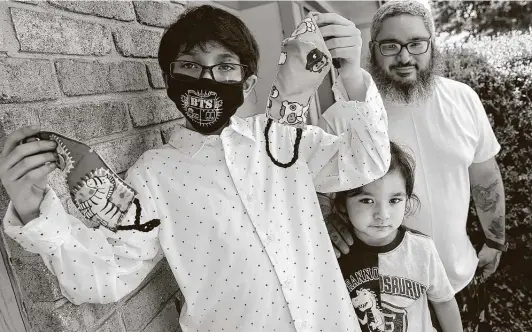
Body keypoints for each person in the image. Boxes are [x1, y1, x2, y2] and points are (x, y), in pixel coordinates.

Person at [0, 5, 390, 332]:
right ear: (170, 80)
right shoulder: (152, 176)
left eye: (224, 67)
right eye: (190, 65)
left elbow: (366, 160)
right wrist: (34, 211)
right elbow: (106, 275)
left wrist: (352, 74)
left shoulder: (285, 139)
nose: (207, 79)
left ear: (248, 82)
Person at [325, 1, 506, 331]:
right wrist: (325, 218)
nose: (405, 57)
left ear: (432, 46)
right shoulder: (344, 117)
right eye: (391, 45)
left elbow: (484, 175)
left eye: (416, 44)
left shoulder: (464, 99)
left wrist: (495, 242)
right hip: (381, 299)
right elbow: (314, 189)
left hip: (458, 281)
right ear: (373, 50)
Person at [333, 141, 462, 331]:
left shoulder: (422, 249)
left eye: (394, 200)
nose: (383, 214)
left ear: (407, 201)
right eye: (367, 200)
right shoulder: (333, 253)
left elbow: (443, 302)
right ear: (343, 203)